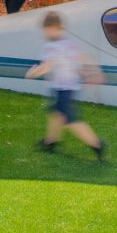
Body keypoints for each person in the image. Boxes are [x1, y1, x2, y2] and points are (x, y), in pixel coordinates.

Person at [26, 11, 106, 160]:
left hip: (63, 89)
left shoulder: (51, 48)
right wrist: (94, 72)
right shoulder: (70, 44)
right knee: (55, 114)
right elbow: (84, 58)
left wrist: (32, 73)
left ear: (51, 28)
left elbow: (47, 66)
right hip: (69, 88)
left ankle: (97, 144)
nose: (45, 33)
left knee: (71, 121)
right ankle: (51, 142)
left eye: (46, 29)